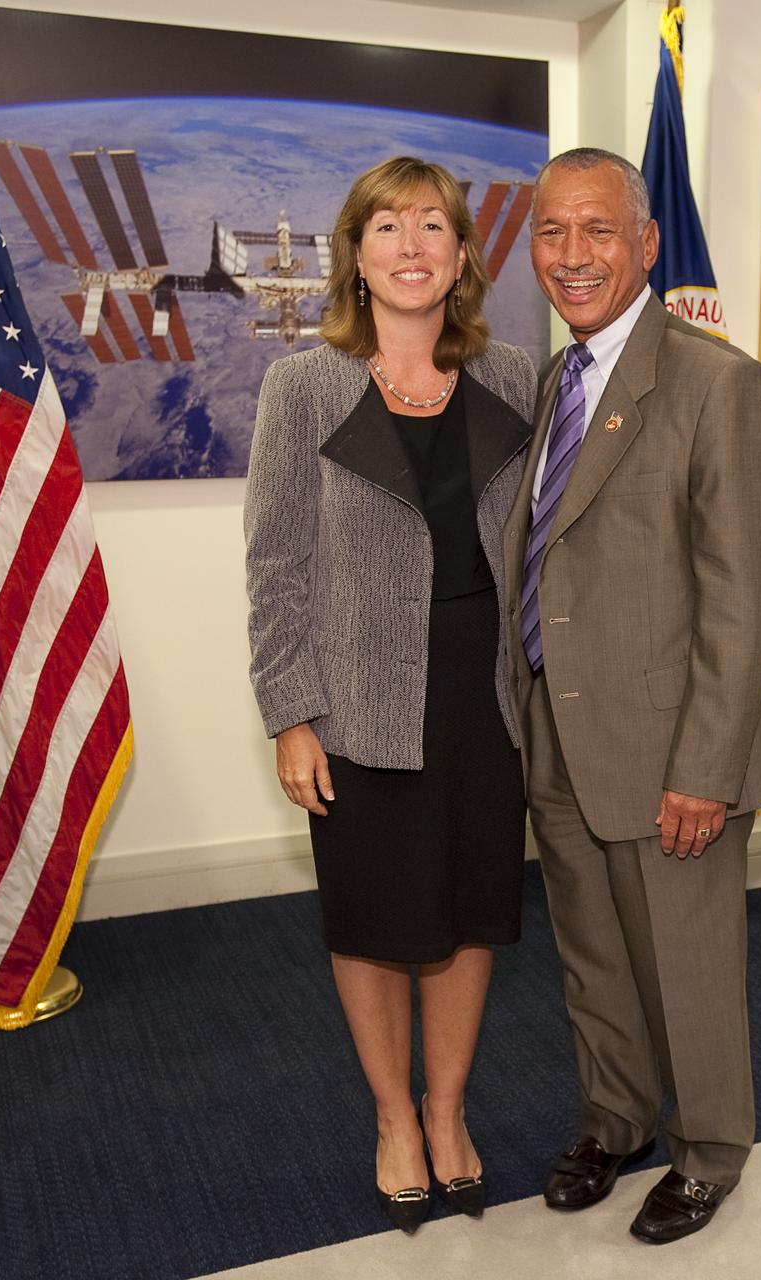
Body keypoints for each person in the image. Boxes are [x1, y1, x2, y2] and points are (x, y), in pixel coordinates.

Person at [244, 156, 535, 1234]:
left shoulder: (514, 375)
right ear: (353, 255)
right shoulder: (302, 387)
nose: (410, 245)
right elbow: (275, 563)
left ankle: (448, 1108)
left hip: (483, 694)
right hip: (357, 696)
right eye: (386, 227)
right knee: (372, 919)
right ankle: (392, 1119)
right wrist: (289, 710)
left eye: (432, 226)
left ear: (461, 256)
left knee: (466, 915)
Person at [504, 148, 761, 1246]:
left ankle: (709, 1150)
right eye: (550, 233)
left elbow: (743, 596)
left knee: (689, 965)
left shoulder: (716, 384)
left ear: (645, 242)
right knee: (594, 956)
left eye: (597, 230)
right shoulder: (555, 377)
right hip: (558, 734)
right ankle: (613, 1119)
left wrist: (703, 770)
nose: (571, 256)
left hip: (669, 748)